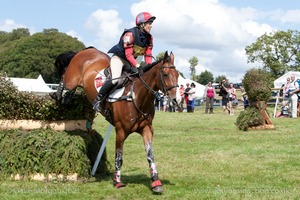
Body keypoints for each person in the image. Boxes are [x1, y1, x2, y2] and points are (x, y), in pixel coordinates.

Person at [93, 12, 156, 112]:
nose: (151, 25)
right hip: (119, 59)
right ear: (142, 24)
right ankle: (98, 100)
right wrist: (137, 65)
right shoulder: (129, 34)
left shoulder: (149, 38)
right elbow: (128, 55)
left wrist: (149, 67)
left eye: (151, 23)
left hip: (130, 61)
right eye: (149, 23)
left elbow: (148, 55)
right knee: (115, 80)